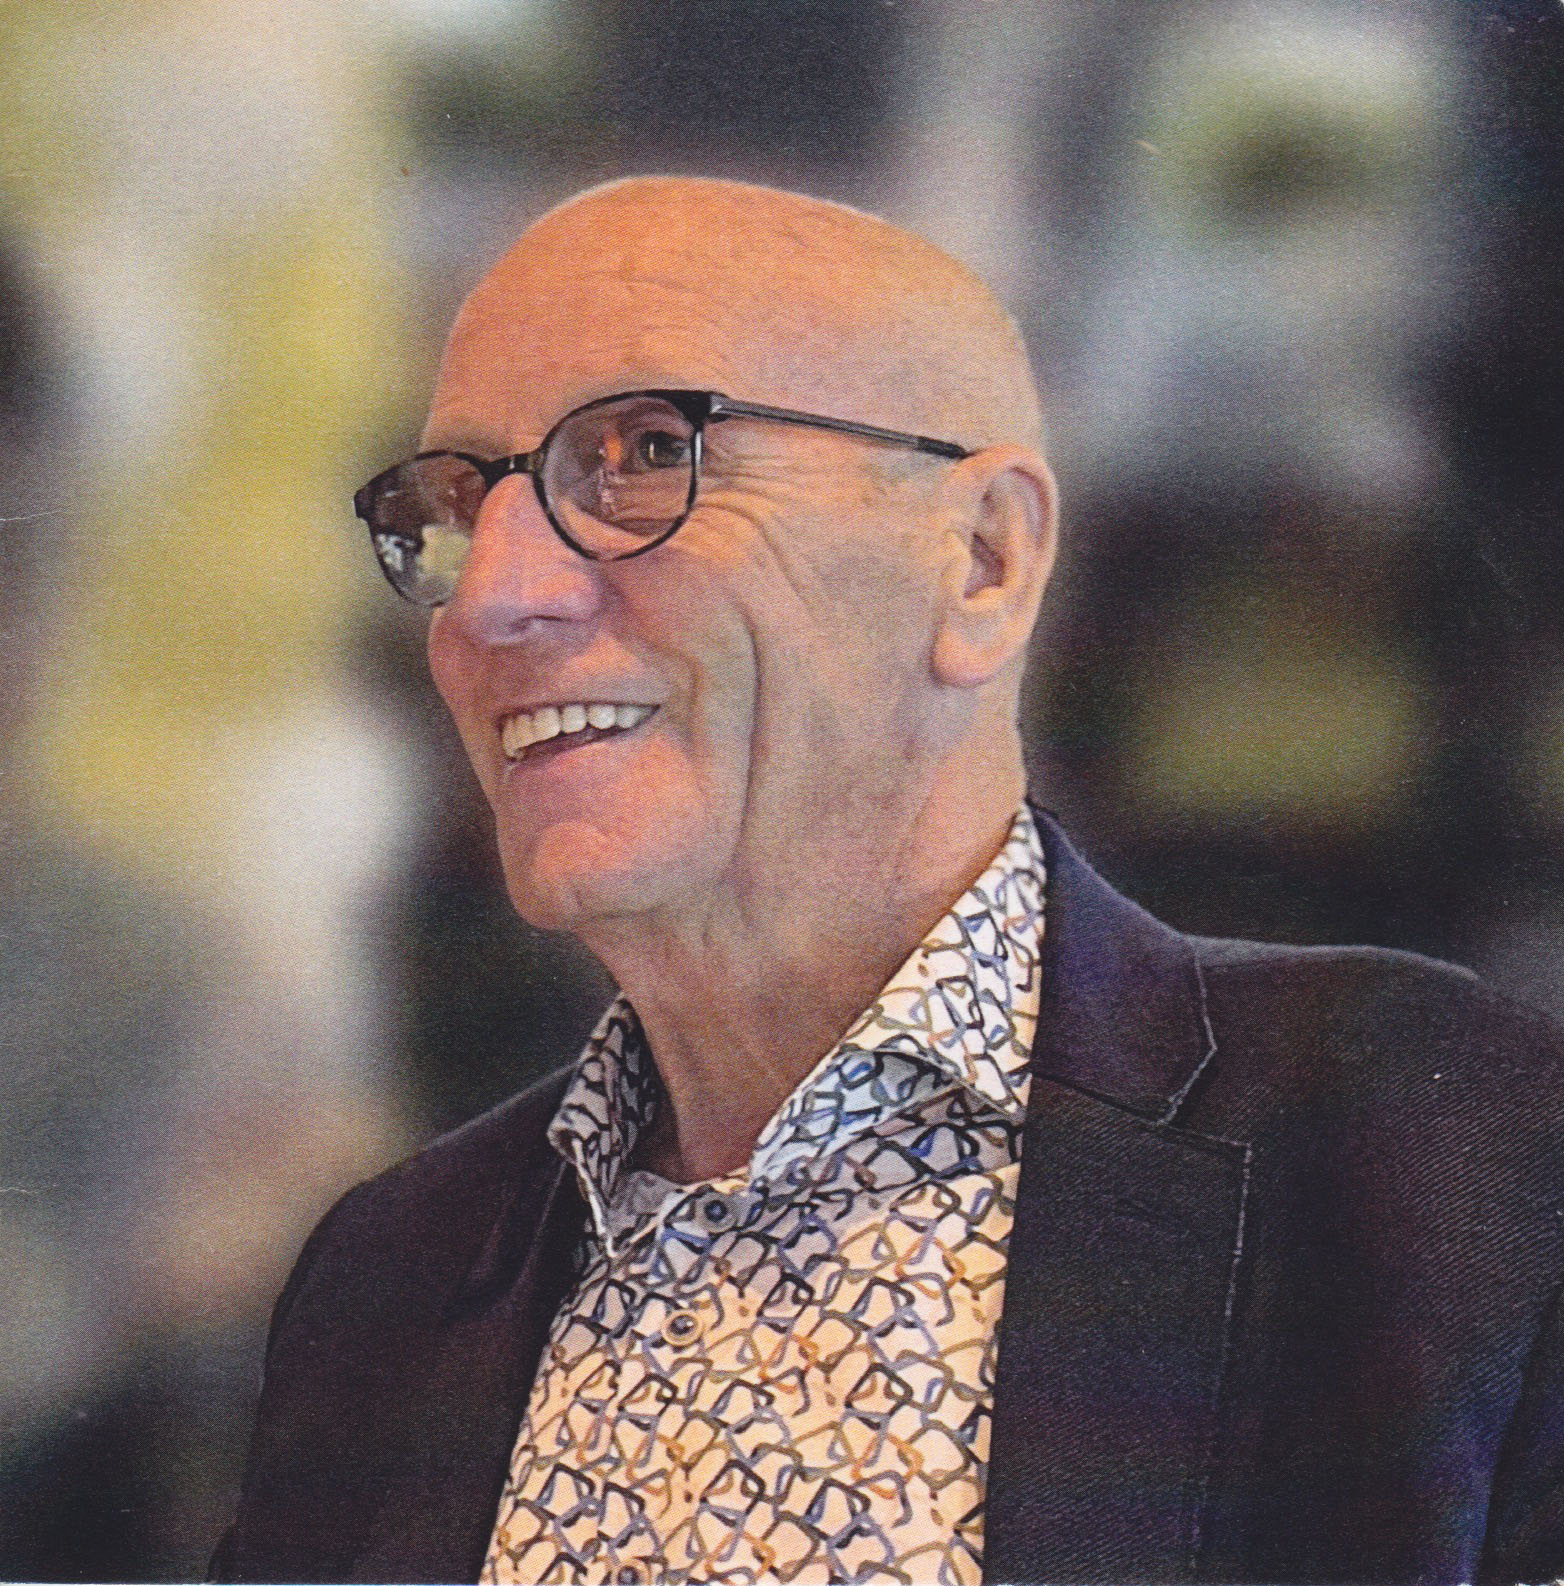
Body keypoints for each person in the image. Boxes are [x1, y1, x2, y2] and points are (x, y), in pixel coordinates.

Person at [213, 177, 1564, 1586]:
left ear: (983, 561)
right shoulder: (388, 1286)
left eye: (642, 456)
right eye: (451, 505)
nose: (492, 595)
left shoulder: (1450, 1165)